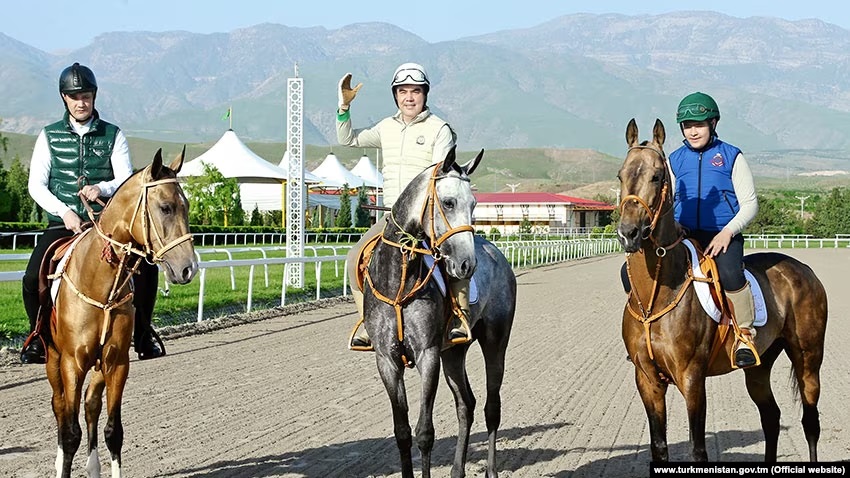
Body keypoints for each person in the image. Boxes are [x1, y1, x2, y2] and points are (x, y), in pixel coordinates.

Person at [19, 62, 164, 364]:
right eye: (74, 97)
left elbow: (124, 180)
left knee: (148, 268)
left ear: (94, 96)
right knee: (32, 278)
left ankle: (143, 334)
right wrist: (65, 213)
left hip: (105, 226)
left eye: (85, 95)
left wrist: (101, 188)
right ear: (64, 99)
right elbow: (36, 186)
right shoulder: (48, 136)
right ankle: (39, 338)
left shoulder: (113, 135)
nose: (80, 102)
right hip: (63, 224)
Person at [336, 62, 472, 349]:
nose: (409, 97)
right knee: (353, 259)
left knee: (451, 258)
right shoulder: (386, 127)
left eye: (416, 91)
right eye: (403, 91)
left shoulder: (439, 129)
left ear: (425, 94)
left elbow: (441, 174)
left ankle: (460, 316)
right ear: (395, 95)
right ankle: (366, 322)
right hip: (391, 220)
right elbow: (347, 139)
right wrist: (344, 108)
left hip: (427, 218)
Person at [669, 92, 759, 368]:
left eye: (699, 124)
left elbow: (750, 204)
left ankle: (744, 336)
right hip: (683, 236)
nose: (693, 131)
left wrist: (727, 233)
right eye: (687, 126)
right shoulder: (674, 160)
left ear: (713, 123)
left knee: (732, 274)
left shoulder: (732, 156)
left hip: (722, 236)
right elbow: (668, 202)